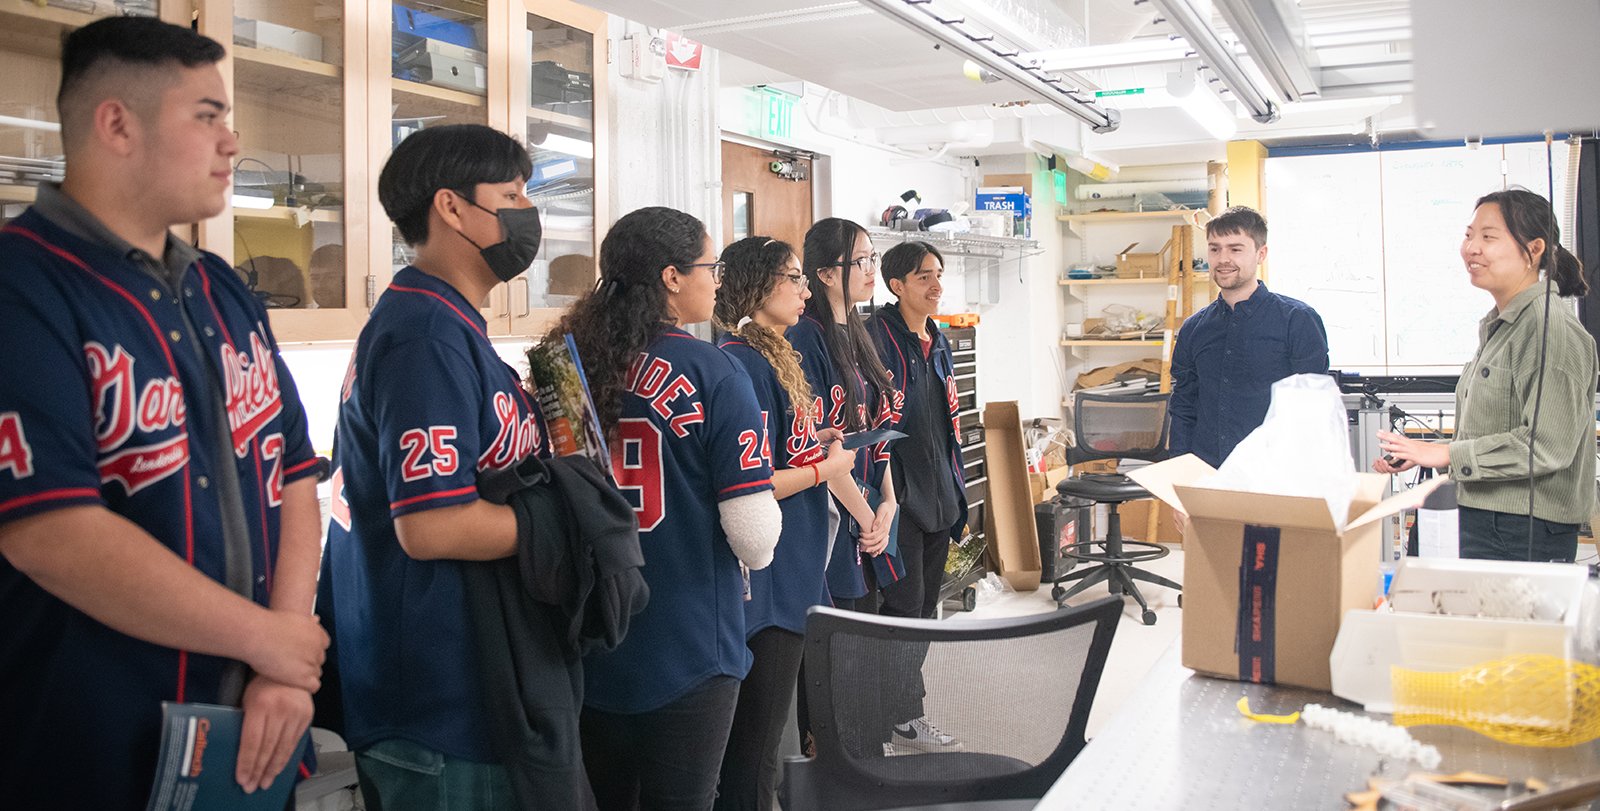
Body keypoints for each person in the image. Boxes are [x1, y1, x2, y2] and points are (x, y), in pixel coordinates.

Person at [0, 17, 328, 808]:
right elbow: (52, 532)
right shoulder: (23, 286)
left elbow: (295, 471)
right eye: (208, 115)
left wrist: (282, 664)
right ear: (117, 123)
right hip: (89, 748)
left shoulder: (222, 286)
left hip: (251, 729)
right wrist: (270, 641)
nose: (231, 140)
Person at [323, 124, 550, 809]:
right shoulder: (423, 333)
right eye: (510, 194)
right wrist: (564, 529)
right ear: (451, 208)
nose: (527, 213)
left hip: (465, 689)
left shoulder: (451, 322)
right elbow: (433, 525)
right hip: (434, 706)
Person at [557, 207, 782, 811]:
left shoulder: (564, 361)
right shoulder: (715, 369)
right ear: (672, 277)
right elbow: (755, 539)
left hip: (591, 628)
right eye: (711, 266)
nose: (718, 280)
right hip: (688, 637)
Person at [712, 236, 864, 811]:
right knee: (755, 748)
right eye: (793, 278)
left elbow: (778, 449)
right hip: (770, 580)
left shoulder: (777, 353)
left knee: (762, 741)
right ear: (758, 286)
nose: (805, 290)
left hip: (797, 564)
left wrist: (814, 445)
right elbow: (756, 481)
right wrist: (826, 468)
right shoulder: (743, 363)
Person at [1375, 189, 1596, 562]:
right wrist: (1432, 455)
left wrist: (1446, 452)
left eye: (1489, 237)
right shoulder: (1505, 326)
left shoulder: (1550, 331)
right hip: (1482, 518)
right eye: (1469, 235)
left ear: (1535, 249)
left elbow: (1545, 447)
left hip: (1517, 530)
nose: (1472, 248)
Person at [864, 241, 968, 754]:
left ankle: (902, 713)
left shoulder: (939, 340)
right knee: (901, 612)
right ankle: (894, 716)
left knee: (927, 610)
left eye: (939, 275)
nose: (935, 285)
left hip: (940, 499)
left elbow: (948, 429)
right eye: (924, 276)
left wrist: (957, 495)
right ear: (896, 285)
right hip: (898, 500)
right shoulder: (875, 341)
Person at [1169, 205, 1330, 468]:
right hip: (1207, 472)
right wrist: (1179, 476)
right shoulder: (1193, 329)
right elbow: (1184, 407)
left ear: (1260, 254)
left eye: (1235, 249)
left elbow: (1311, 409)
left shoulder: (1297, 320)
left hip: (1274, 475)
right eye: (1214, 248)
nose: (1223, 259)